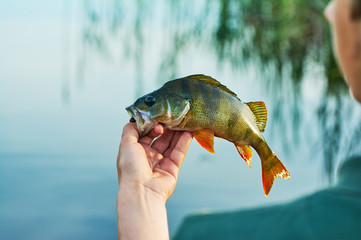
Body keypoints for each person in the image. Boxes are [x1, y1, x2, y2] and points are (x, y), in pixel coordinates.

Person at [116, 0, 361, 239]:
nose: (328, 11)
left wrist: (140, 196)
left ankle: (269, 162)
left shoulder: (199, 233)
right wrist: (143, 192)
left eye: (338, 1)